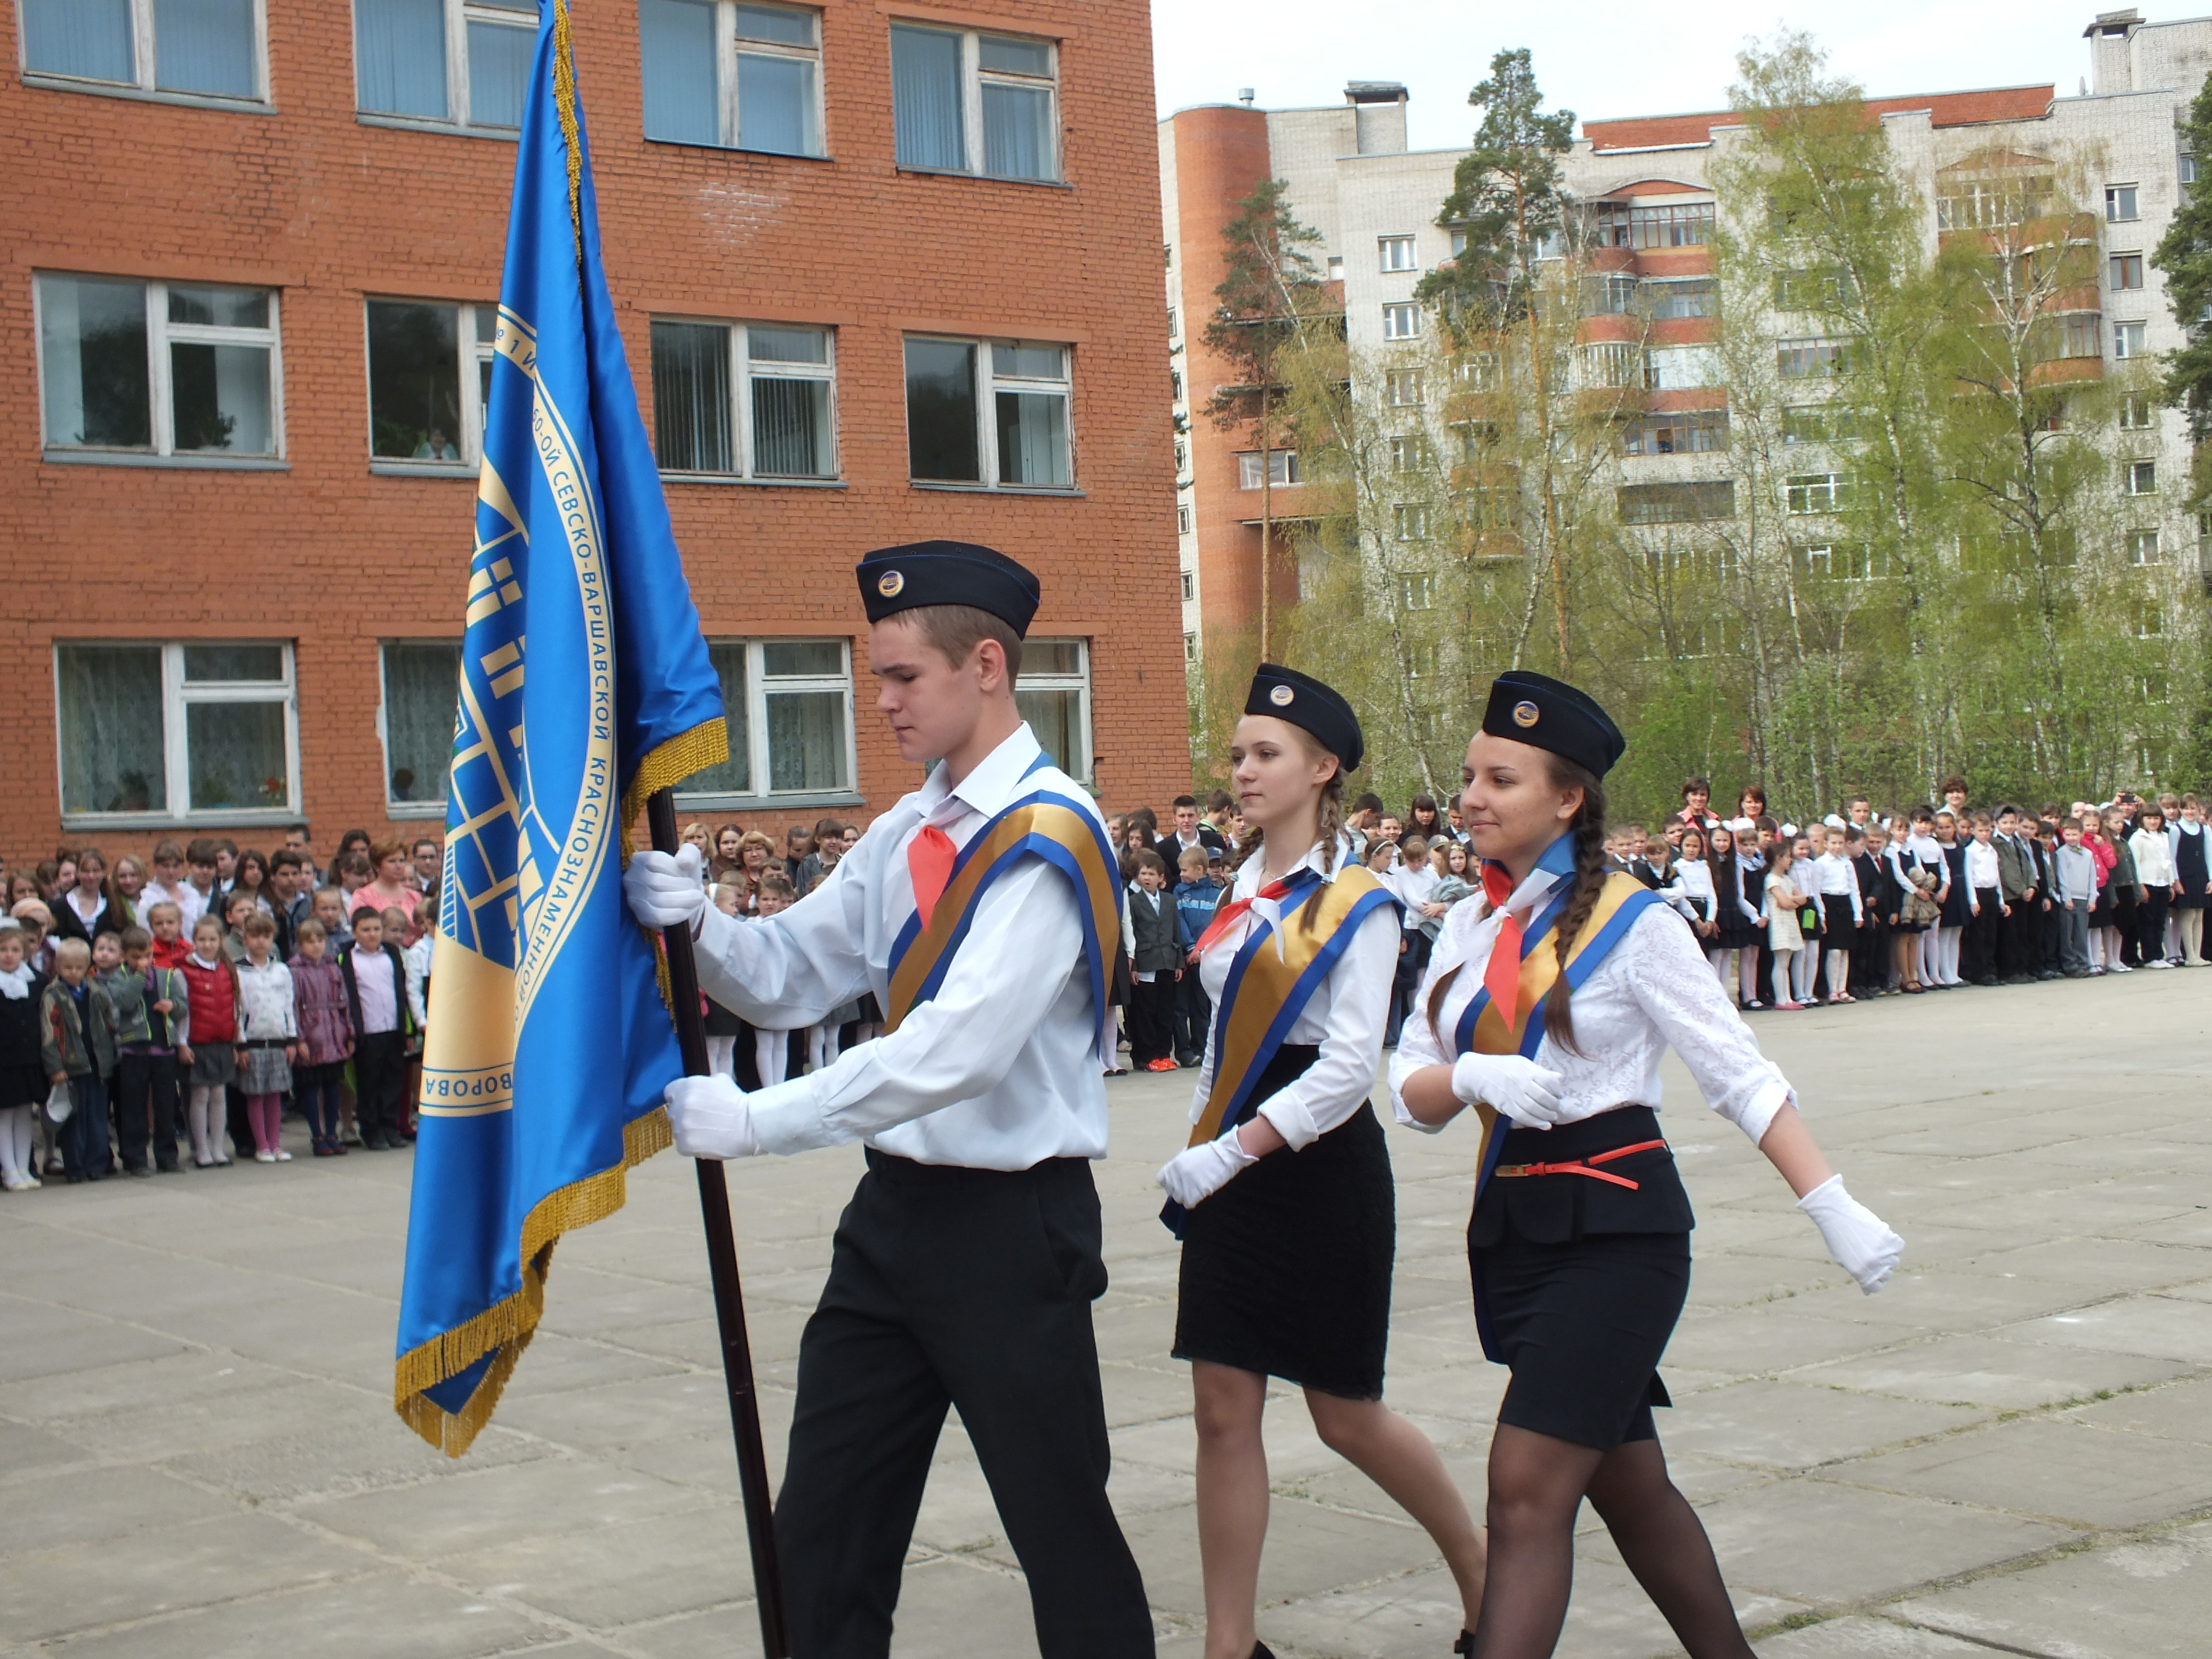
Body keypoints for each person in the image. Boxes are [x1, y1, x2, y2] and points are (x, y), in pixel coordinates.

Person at [620, 539, 1152, 1658]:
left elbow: (954, 1049)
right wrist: (700, 926)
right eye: (878, 675)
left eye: (904, 675)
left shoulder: (1053, 835)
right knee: (819, 1538)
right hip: (893, 1226)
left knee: (1063, 1541)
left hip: (1014, 1231)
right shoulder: (905, 829)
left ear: (989, 667)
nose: (884, 700)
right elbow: (786, 974)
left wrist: (759, 1120)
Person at [1391, 670, 1901, 1659]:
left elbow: (1739, 1075)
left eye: (1501, 779)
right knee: (1632, 1489)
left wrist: (1830, 1201)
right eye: (1468, 778)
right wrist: (1472, 1080)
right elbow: (1410, 1082)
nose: (1472, 799)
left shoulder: (1637, 922)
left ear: (1568, 797)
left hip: (1617, 1232)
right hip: (1514, 1232)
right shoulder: (1467, 923)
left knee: (1525, 1493)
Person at [1155, 664, 1485, 1659]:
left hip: (1317, 1164)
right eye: (1239, 755)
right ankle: (1230, 1643)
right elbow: (1221, 1041)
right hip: (1229, 1152)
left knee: (1345, 1414)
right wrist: (1205, 1141)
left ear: (1323, 767)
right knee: (1222, 1410)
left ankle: (1486, 1576)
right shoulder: (1237, 890)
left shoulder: (1362, 903)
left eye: (1266, 755)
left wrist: (1236, 1151)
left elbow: (1350, 1070)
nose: (1243, 773)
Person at [108, 924, 189, 1176]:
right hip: (135, 1052)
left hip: (163, 1050)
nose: (143, 962)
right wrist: (139, 977)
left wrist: (172, 1006)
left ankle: (167, 1156)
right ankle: (135, 1159)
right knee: (135, 1108)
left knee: (166, 1107)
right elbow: (125, 1002)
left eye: (148, 956)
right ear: (124, 956)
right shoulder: (119, 977)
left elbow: (183, 1007)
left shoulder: (166, 975)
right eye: (136, 957)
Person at [41, 937, 117, 1182]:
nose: (73, 973)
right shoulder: (53, 995)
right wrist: (55, 1067)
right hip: (71, 1066)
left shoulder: (96, 992)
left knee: (96, 1117)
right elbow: (48, 1034)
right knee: (74, 1121)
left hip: (96, 1064)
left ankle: (96, 1164)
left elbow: (108, 1025)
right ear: (58, 967)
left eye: (78, 967)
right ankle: (75, 1167)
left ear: (87, 967)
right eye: (67, 968)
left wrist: (112, 1055)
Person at [341, 908, 413, 1150]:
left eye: (376, 929)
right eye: (366, 930)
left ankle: (389, 1127)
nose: (372, 935)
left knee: (393, 1080)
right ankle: (371, 1130)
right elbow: (348, 997)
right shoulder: (348, 958)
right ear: (354, 932)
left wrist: (408, 1029)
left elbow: (402, 993)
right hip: (368, 1030)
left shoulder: (391, 954)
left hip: (392, 1027)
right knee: (369, 1082)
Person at [233, 914, 296, 1163]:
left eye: (266, 936)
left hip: (278, 1040)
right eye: (255, 936)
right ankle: (262, 1145)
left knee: (275, 1094)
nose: (261, 942)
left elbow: (288, 1006)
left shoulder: (281, 970)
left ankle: (276, 1143)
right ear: (245, 939)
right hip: (253, 1041)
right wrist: (241, 1043)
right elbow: (237, 1011)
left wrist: (291, 1039)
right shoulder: (239, 971)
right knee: (256, 1095)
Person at [289, 918, 353, 1157]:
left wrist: (349, 1031)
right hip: (311, 1034)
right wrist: (299, 1039)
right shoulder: (295, 971)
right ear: (300, 944)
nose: (316, 946)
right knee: (311, 1086)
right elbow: (293, 1006)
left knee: (332, 1085)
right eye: (310, 941)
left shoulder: (333, 967)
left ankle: (332, 1133)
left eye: (320, 941)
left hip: (334, 1033)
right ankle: (317, 1135)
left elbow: (344, 1001)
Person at [180, 916, 239, 1167]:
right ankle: (201, 1149)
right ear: (193, 941)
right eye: (202, 940)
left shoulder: (228, 969)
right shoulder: (185, 971)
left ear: (220, 941)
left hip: (223, 1041)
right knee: (200, 1094)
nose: (207, 944)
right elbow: (183, 1011)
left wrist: (237, 1041)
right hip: (198, 1043)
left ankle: (218, 1147)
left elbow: (236, 1006)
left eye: (212, 939)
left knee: (219, 1094)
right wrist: (182, 1042)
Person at [1126, 849, 1183, 1072]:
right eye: (1143, 873)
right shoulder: (1133, 902)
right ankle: (1148, 1055)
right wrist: (1135, 967)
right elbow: (1132, 934)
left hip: (1167, 961)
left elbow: (1175, 932)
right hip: (1146, 963)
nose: (1147, 878)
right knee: (1146, 1013)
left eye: (1151, 874)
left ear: (1161, 878)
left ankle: (1164, 1053)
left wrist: (1179, 962)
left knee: (1165, 1011)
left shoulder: (1169, 901)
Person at [0, 919, 44, 1190]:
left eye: (15, 949)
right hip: (4, 1060)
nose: (9, 955)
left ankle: (24, 1167)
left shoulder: (36, 981)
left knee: (25, 1112)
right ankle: (9, 1169)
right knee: (5, 1114)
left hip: (29, 1057)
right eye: (3, 949)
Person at [1171, 845, 1221, 1068]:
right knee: (1180, 1007)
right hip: (1184, 958)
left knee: (1202, 1007)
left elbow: (1217, 923)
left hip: (1205, 957)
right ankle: (1183, 1051)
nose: (1181, 875)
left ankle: (1201, 1048)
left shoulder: (1217, 893)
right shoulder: (1180, 892)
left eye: (1185, 870)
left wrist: (1203, 950)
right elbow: (1179, 921)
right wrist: (1191, 947)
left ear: (1200, 869)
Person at [749, 871, 802, 1085]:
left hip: (785, 985)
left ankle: (779, 1085)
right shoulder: (750, 924)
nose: (770, 904)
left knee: (782, 1038)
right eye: (765, 899)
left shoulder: (786, 924)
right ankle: (767, 1087)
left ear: (782, 901)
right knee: (765, 1040)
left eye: (774, 899)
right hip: (762, 984)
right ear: (757, 901)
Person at [1809, 825, 1861, 1002]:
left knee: (1845, 950)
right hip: (1830, 903)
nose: (1837, 847)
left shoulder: (1847, 863)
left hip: (1845, 903)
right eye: (1834, 843)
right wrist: (1822, 914)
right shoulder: (1821, 864)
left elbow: (1854, 889)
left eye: (1840, 843)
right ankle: (1832, 990)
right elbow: (1816, 891)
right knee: (1834, 951)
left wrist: (1858, 913)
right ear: (1826, 843)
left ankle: (1842, 988)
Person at [1762, 835, 1814, 1010]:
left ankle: (1788, 997)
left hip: (1790, 921)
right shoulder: (1772, 879)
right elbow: (1783, 903)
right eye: (1788, 857)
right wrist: (1791, 901)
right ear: (1779, 859)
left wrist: (1790, 900)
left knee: (1788, 960)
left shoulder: (1787, 879)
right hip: (1780, 924)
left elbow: (1802, 898)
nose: (1790, 860)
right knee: (1781, 962)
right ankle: (1781, 998)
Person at [2128, 805, 2178, 970]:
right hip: (2147, 883)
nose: (2153, 821)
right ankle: (2150, 956)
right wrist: (2140, 886)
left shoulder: (2164, 836)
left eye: (2156, 818)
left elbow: (2168, 860)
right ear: (2142, 820)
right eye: (2149, 818)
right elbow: (2135, 864)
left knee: (2159, 921)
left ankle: (2159, 954)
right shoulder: (2138, 838)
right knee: (2147, 921)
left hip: (2162, 883)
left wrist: (2171, 883)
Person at [1961, 813, 2005, 988]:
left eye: (1988, 830)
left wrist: (2001, 899)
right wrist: (1973, 900)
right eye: (1981, 830)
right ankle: (1979, 972)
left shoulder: (1992, 850)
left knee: (1991, 934)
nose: (1985, 834)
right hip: (1978, 892)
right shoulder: (1970, 851)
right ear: (1973, 831)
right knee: (1979, 935)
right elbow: (1969, 876)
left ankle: (1990, 970)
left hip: (1991, 892)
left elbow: (1997, 876)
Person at [50, 845, 118, 947]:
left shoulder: (113, 905)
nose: (91, 876)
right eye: (85, 871)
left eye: (96, 871)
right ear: (77, 873)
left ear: (104, 873)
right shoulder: (60, 906)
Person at [2176, 796, 2209, 965]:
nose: (2190, 812)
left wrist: (2211, 878)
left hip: (2200, 876)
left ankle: (2198, 953)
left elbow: (2208, 855)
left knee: (2199, 915)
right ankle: (2189, 955)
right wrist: (2175, 880)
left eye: (2193, 808)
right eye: (2186, 808)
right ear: (2180, 810)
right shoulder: (2176, 830)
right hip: (2184, 877)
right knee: (2188, 915)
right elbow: (2173, 856)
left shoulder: (2204, 830)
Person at [1155, 794, 1230, 866]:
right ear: (1175, 819)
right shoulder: (1163, 849)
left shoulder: (1216, 840)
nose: (1187, 820)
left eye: (1190, 815)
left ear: (1197, 817)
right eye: (1182, 816)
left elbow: (1226, 869)